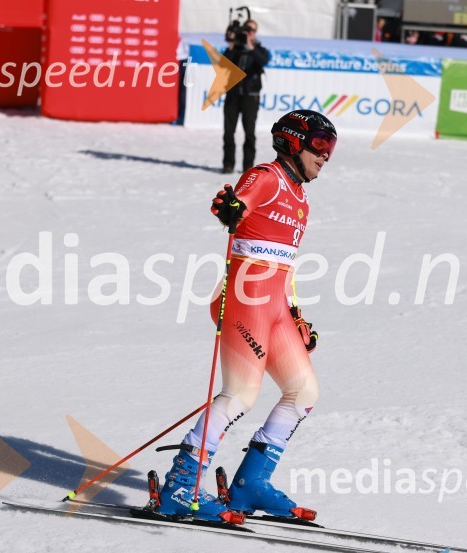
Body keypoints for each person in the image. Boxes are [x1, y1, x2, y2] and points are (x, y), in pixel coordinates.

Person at [156, 110, 338, 523]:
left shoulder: (302, 199)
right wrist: (231, 209)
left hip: (274, 306)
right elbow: (238, 204)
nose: (326, 155)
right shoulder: (267, 176)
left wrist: (295, 314)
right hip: (244, 298)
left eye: (331, 148)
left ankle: (250, 485)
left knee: (303, 392)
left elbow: (286, 267)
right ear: (293, 141)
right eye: (320, 144)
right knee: (240, 395)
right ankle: (180, 487)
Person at [222, 19, 270, 174]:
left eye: (252, 30)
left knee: (249, 132)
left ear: (255, 33)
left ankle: (248, 165)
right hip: (233, 94)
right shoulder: (235, 49)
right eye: (246, 30)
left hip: (251, 96)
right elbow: (223, 65)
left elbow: (263, 61)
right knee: (229, 131)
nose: (249, 32)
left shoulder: (259, 49)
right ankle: (228, 164)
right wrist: (231, 44)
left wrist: (250, 46)